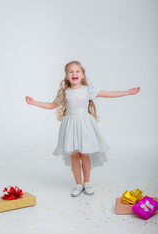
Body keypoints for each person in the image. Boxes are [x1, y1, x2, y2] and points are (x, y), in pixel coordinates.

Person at [26, 60, 140, 197]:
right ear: (67, 76)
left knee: (85, 154)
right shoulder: (64, 92)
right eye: (71, 72)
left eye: (77, 71)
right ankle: (78, 184)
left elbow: (109, 93)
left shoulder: (88, 90)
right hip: (70, 127)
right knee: (74, 155)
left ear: (83, 75)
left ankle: (87, 182)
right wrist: (34, 102)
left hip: (85, 125)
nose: (74, 73)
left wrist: (128, 92)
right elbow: (52, 105)